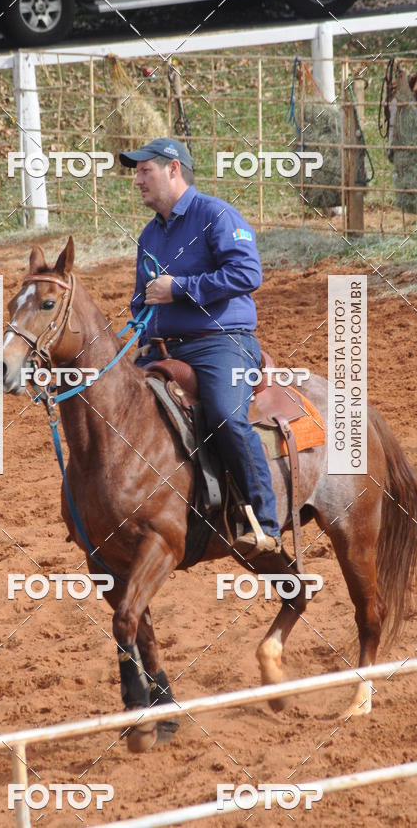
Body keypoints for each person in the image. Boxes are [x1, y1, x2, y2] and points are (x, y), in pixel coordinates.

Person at [121, 137, 281, 556]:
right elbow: (142, 299)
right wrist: (136, 334)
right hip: (162, 349)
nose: (137, 181)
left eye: (145, 171)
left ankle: (264, 522)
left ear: (173, 169)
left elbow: (247, 273)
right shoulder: (149, 235)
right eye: (137, 173)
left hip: (222, 343)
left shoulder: (217, 215)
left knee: (226, 415)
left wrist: (180, 289)